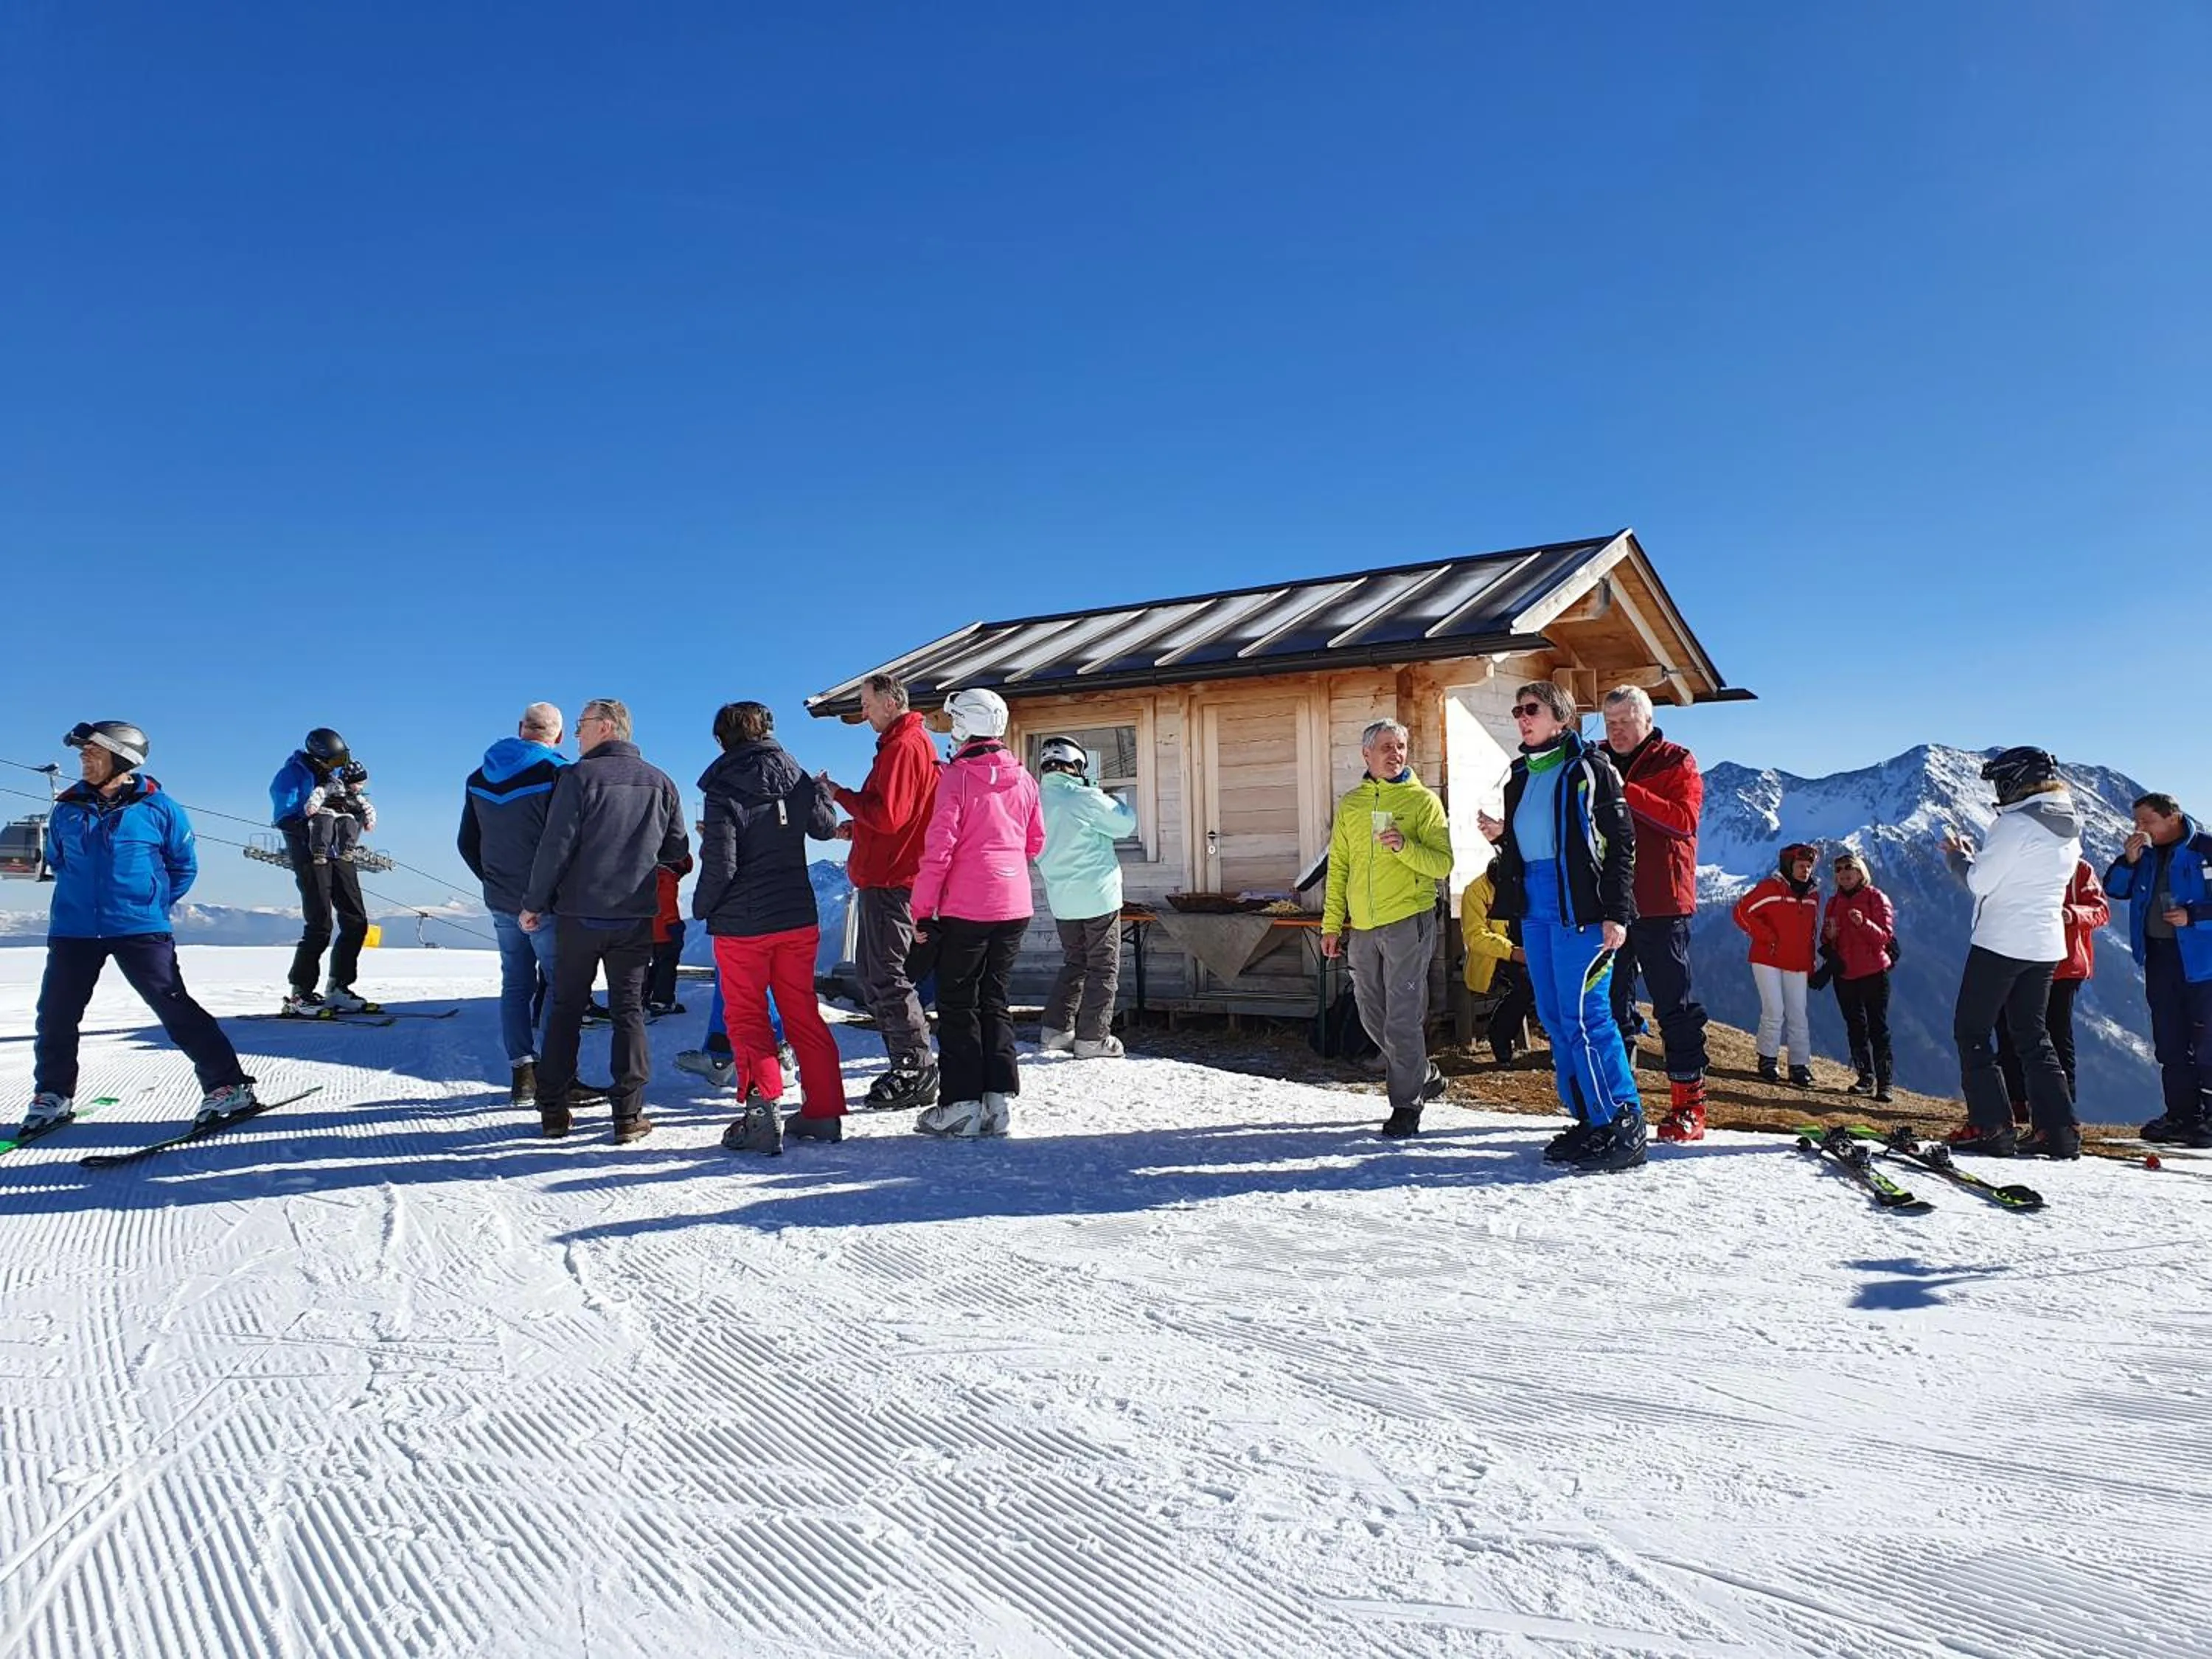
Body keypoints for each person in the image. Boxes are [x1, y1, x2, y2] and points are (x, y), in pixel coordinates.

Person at [18, 722, 260, 1137]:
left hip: (140, 928)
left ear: (122, 758)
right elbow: (58, 860)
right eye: (82, 754)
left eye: (92, 753)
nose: (84, 760)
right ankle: (52, 1095)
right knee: (55, 1015)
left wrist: (149, 905)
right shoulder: (67, 807)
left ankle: (228, 1086)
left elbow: (183, 866)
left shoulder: (160, 808)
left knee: (174, 1007)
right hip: (74, 929)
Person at [1478, 684, 1644, 1169]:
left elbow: (1620, 844)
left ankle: (1623, 1122)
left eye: (1531, 710)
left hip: (1582, 914)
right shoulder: (1521, 774)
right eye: (1517, 710)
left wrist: (1617, 913)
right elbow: (1543, 839)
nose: (1521, 718)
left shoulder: (1589, 769)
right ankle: (1590, 1120)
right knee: (1553, 1018)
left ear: (1562, 718)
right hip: (1535, 909)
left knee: (1587, 1018)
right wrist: (1503, 837)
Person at [520, 699, 689, 1143]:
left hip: (579, 914)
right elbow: (676, 850)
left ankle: (554, 1111)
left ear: (607, 728)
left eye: (582, 725)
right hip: (634, 916)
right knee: (627, 1010)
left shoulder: (576, 778)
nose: (576, 734)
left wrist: (534, 902)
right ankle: (628, 1116)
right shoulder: (662, 782)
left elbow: (555, 847)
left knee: (566, 1007)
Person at [692, 702, 846, 1155]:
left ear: (723, 740)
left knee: (746, 1015)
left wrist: (703, 907)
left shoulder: (722, 785)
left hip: (743, 923)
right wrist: (817, 792)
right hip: (797, 915)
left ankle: (762, 1114)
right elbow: (824, 828)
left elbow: (721, 863)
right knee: (801, 1011)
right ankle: (822, 1111)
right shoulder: (794, 774)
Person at [909, 689, 1044, 1138]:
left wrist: (923, 910)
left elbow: (939, 849)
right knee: (994, 999)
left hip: (967, 906)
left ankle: (960, 1105)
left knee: (957, 1002)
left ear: (966, 725)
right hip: (1014, 904)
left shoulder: (958, 777)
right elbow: (1035, 842)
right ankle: (996, 1102)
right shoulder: (1023, 777)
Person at [1941, 746, 2084, 1158]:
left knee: (1972, 1030)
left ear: (2014, 780)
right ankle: (2059, 1130)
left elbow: (1980, 881)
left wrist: (1958, 857)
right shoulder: (2070, 822)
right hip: (2045, 944)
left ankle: (1991, 1125)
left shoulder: (2014, 824)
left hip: (2001, 940)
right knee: (2033, 1035)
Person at [1322, 719, 1454, 1137]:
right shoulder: (1352, 805)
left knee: (1402, 1018)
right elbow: (1338, 867)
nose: (1395, 754)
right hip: (1362, 924)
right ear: (1367, 755)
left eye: (1400, 746)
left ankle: (1406, 1106)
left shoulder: (1423, 803)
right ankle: (1424, 1073)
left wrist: (1404, 847)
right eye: (1386, 747)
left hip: (1408, 920)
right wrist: (1331, 925)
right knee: (1370, 1012)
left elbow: (1443, 864)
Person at [819, 674, 942, 1112]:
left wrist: (839, 795)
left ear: (891, 701)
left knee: (887, 975)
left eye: (867, 703)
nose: (864, 711)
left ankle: (916, 1067)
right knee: (877, 976)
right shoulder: (902, 745)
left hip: (894, 881)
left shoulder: (904, 747)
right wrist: (855, 830)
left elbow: (889, 816)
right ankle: (906, 1064)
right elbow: (899, 818)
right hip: (887, 874)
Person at [1599, 686, 1713, 1140]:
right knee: (1611, 1006)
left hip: (1663, 902)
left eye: (1625, 722)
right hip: (1611, 904)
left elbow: (1683, 821)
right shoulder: (1597, 758)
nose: (1617, 731)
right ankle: (1618, 1102)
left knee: (1674, 1007)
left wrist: (1626, 792)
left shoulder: (1676, 760)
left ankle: (1690, 1107)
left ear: (1647, 721)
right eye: (1609, 724)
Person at [459, 703, 570, 1105]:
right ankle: (557, 1075)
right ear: (557, 737)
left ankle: (522, 1072)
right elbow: (566, 841)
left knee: (516, 984)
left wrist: (494, 882)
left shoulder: (478, 777)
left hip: (502, 901)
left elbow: (466, 843)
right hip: (548, 903)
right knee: (561, 986)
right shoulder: (557, 774)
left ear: (521, 728)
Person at [2105, 793, 2212, 1148]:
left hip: (2203, 963)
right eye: (2137, 822)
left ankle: (2208, 1118)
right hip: (2160, 957)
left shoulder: (2205, 849)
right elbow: (2114, 889)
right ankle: (2182, 1115)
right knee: (2170, 1041)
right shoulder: (2146, 856)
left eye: (2147, 821)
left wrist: (2194, 916)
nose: (2140, 828)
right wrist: (2129, 859)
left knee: (2207, 1042)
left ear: (2173, 817)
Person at [1034, 736, 1138, 1059]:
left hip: (1062, 898)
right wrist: (1106, 796)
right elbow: (1125, 824)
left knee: (1075, 963)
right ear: (1077, 765)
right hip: (1098, 895)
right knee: (1103, 968)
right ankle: (1093, 1038)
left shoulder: (1035, 800)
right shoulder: (1084, 797)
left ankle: (1056, 1030)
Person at [270, 727, 375, 1015]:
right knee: (320, 923)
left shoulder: (331, 776)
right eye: (334, 762)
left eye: (342, 762)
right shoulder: (291, 775)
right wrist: (310, 825)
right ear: (318, 757)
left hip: (339, 852)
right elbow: (285, 814)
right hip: (310, 851)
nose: (337, 768)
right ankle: (300, 994)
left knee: (356, 919)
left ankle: (338, 986)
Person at [1995, 856, 2107, 1121]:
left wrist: (2072, 914)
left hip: (2064, 964)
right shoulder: (2018, 861)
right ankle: (2017, 1099)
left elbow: (2100, 910)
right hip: (2017, 957)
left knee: (2055, 1031)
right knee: (2008, 1027)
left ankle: (2061, 1103)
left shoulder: (2079, 869)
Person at [1732, 844, 1821, 1088]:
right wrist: (1766, 936)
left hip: (1798, 962)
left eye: (1809, 866)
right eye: (1800, 866)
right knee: (1774, 1009)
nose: (1805, 870)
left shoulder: (1813, 895)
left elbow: (1811, 934)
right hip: (1767, 958)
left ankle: (1799, 1065)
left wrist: (1811, 964)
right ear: (1788, 865)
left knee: (1798, 1013)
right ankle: (1768, 1060)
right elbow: (1741, 911)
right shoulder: (1770, 889)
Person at [1820, 851, 1897, 1101]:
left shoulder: (1876, 897)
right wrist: (1829, 937)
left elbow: (1885, 937)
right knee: (1855, 1027)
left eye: (1848, 868)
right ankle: (1865, 1077)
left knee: (1878, 1027)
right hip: (1845, 974)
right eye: (1839, 870)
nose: (1843, 873)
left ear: (1860, 871)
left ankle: (1885, 1083)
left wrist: (1862, 923)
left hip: (1874, 972)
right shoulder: (1833, 902)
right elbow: (1826, 939)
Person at [1460, 869, 1533, 1066]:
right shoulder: (1476, 891)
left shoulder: (1525, 882)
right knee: (1527, 983)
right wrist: (1512, 951)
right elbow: (1475, 936)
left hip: (1527, 950)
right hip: (1493, 956)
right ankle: (1499, 1035)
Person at [646, 850, 692, 1016]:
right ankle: (662, 1001)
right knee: (667, 964)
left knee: (655, 964)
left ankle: (643, 996)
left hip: (646, 929)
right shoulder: (667, 877)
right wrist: (675, 925)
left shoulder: (650, 873)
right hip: (665, 930)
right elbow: (667, 904)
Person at [306, 762, 372, 865]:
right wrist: (312, 806)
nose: (361, 787)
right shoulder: (332, 787)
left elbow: (367, 808)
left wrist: (370, 821)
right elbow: (318, 794)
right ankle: (320, 851)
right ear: (349, 780)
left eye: (363, 784)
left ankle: (347, 849)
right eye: (359, 784)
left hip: (344, 814)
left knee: (349, 823)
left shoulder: (357, 796)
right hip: (327, 811)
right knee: (325, 823)